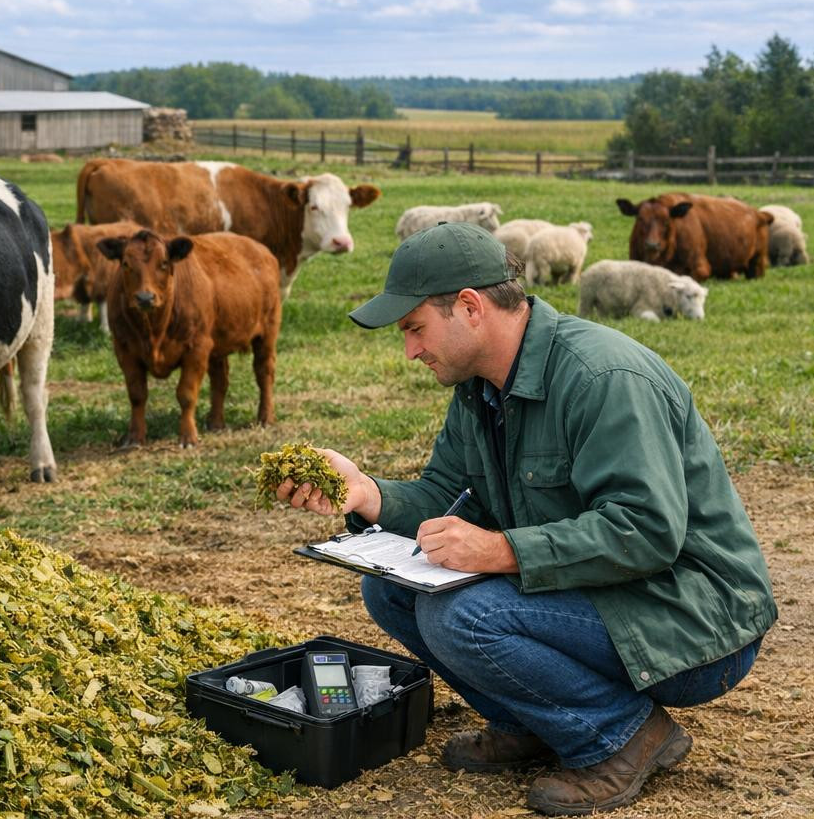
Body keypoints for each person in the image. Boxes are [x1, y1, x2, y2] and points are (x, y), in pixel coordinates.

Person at [276, 221, 775, 817]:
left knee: (460, 615)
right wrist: (366, 494)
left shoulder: (602, 378)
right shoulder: (481, 388)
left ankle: (622, 735)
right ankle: (531, 723)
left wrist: (500, 551)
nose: (410, 350)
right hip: (611, 592)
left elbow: (644, 532)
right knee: (391, 592)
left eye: (414, 328)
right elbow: (448, 495)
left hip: (692, 620)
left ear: (470, 307)